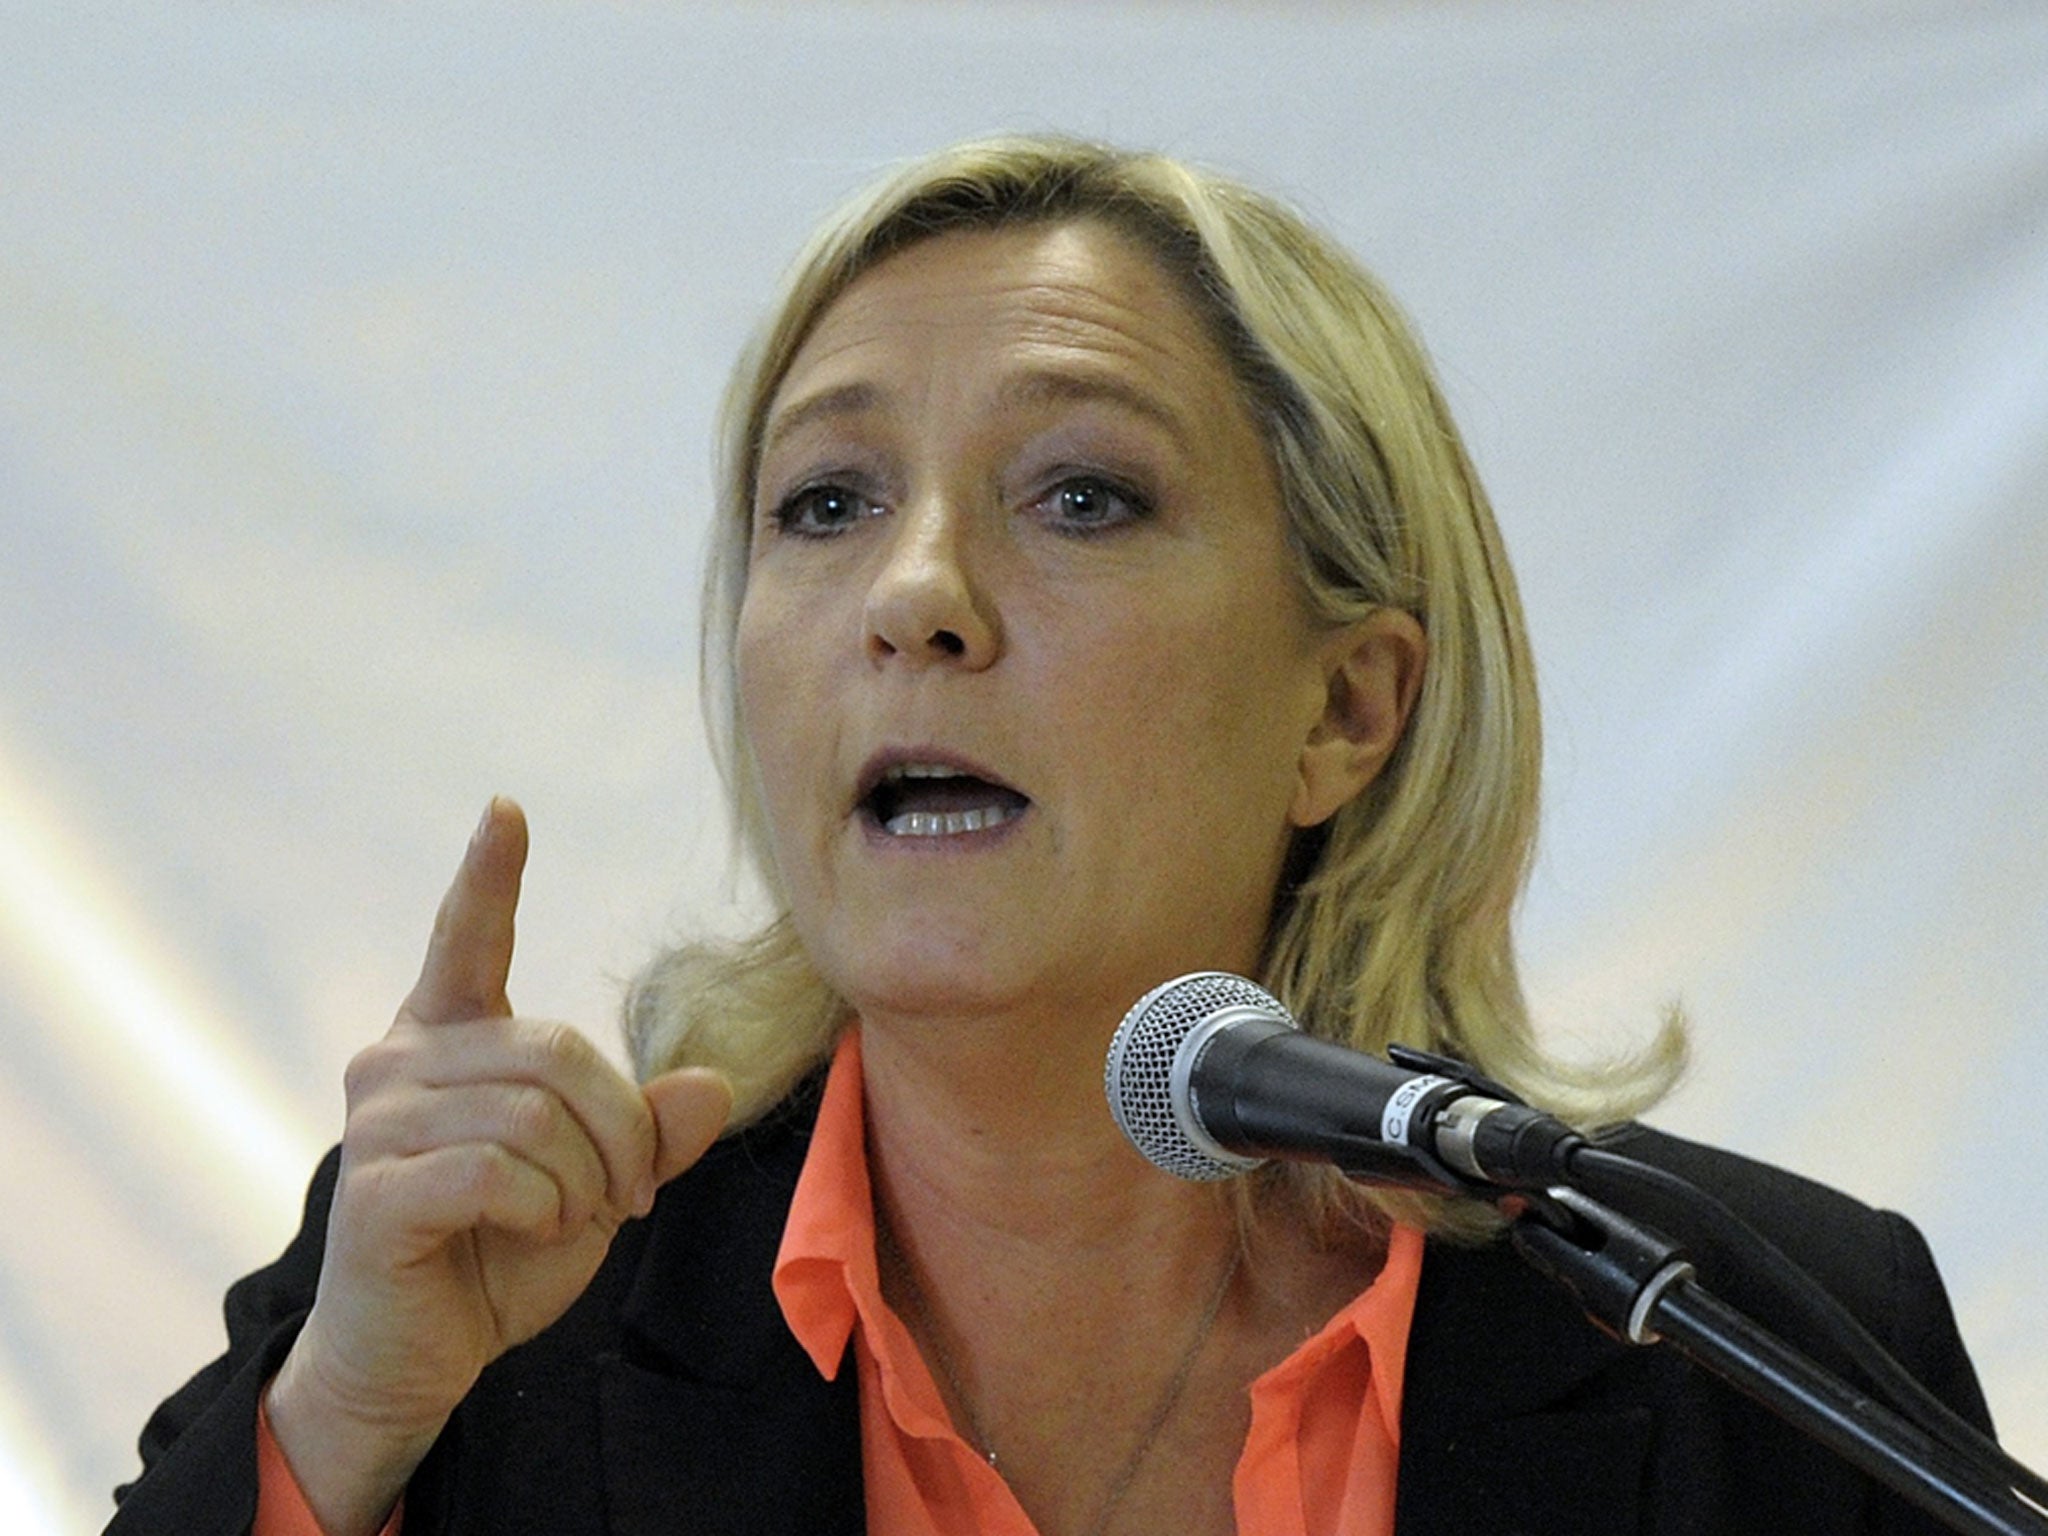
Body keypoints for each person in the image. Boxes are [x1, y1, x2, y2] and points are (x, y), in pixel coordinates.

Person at [107, 135, 1994, 1536]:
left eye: (1081, 495)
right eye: (826, 499)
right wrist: (344, 1419)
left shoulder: (1761, 1347)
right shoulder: (486, 1299)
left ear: (1345, 709)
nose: (915, 593)